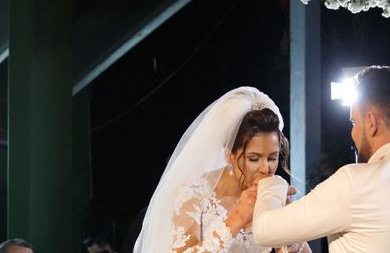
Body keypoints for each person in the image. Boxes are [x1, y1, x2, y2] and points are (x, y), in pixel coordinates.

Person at [253, 66, 390, 252]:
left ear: (371, 122)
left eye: (354, 122)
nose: (352, 133)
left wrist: (271, 185)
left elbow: (264, 230)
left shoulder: (354, 183)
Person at [133, 86, 310, 253]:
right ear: (229, 155)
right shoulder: (195, 193)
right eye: (254, 159)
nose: (266, 168)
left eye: (272, 157)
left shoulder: (269, 195)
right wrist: (237, 218)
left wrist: (286, 222)